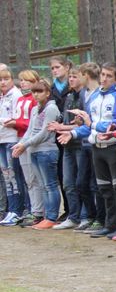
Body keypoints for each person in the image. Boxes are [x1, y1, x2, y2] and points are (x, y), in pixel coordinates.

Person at [70, 62, 116, 239]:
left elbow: (115, 123)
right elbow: (89, 126)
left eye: (109, 76)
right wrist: (72, 133)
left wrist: (93, 124)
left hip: (113, 147)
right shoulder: (94, 97)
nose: (104, 79)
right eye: (102, 74)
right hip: (96, 148)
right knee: (104, 188)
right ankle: (109, 224)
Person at [12, 78, 60, 229]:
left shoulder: (51, 109)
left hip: (47, 151)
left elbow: (45, 133)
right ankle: (46, 216)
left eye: (39, 91)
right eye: (34, 92)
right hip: (34, 151)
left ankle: (52, 217)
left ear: (47, 93)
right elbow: (30, 130)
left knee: (50, 185)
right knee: (42, 185)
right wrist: (21, 143)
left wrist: (25, 144)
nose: (36, 95)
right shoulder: (35, 109)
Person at [49, 66, 92, 230]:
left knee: (82, 182)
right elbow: (68, 120)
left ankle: (86, 216)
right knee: (68, 182)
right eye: (70, 77)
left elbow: (84, 124)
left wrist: (63, 128)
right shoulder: (69, 96)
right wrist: (59, 124)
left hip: (81, 144)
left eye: (75, 76)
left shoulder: (86, 96)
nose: (71, 79)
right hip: (67, 145)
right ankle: (73, 216)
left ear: (83, 77)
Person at [12, 70, 40, 226]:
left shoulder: (33, 100)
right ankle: (33, 210)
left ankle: (38, 211)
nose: (22, 83)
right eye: (21, 80)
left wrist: (15, 123)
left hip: (30, 141)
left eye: (26, 80)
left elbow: (32, 123)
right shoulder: (21, 99)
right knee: (28, 179)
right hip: (20, 138)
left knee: (34, 178)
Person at [48, 57, 72, 221]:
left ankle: (79, 211)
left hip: (72, 132)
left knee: (73, 175)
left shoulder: (72, 85)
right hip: (56, 135)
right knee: (61, 173)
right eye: (52, 68)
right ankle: (68, 209)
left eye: (57, 67)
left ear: (67, 67)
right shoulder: (51, 89)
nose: (55, 70)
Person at [0, 66, 24, 225]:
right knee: (6, 174)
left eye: (6, 79)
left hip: (12, 138)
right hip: (1, 139)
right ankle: (11, 209)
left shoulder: (16, 95)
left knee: (14, 175)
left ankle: (18, 210)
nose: (3, 82)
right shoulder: (2, 96)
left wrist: (8, 122)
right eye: (0, 80)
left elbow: (17, 118)